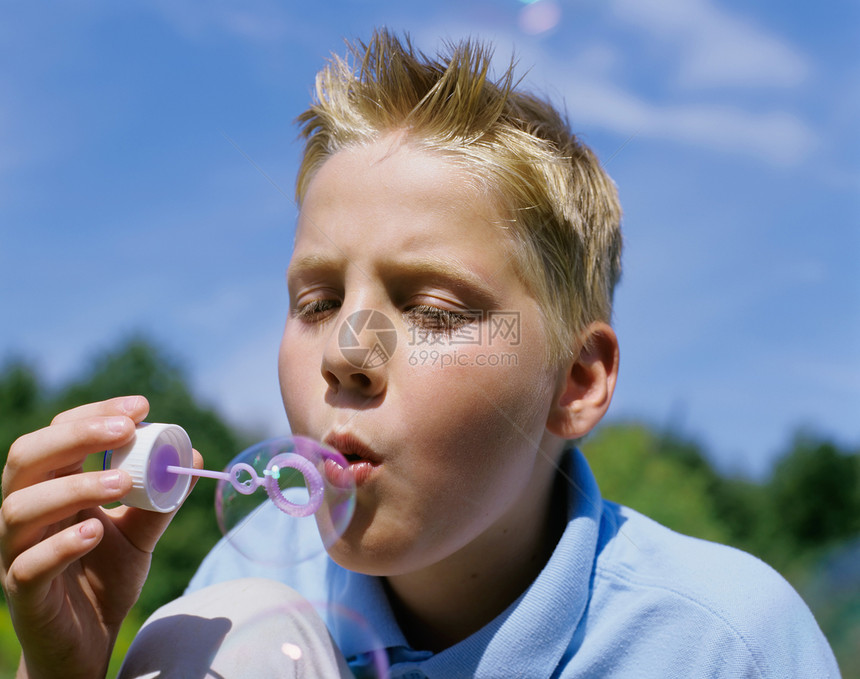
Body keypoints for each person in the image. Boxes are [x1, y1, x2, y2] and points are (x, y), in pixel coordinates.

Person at [0, 29, 840, 679]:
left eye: (433, 310)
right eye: (318, 302)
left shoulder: (720, 642)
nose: (344, 354)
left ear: (577, 381)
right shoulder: (234, 612)